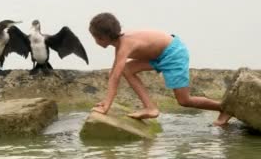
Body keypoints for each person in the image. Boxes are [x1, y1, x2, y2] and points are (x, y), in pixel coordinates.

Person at [88, 12, 231, 126]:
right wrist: (106, 101)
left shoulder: (125, 45)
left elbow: (115, 77)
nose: (95, 41)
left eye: (95, 37)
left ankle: (225, 109)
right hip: (159, 55)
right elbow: (115, 71)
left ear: (102, 38)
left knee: (184, 100)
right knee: (126, 69)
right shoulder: (120, 45)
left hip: (174, 53)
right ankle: (150, 108)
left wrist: (107, 105)